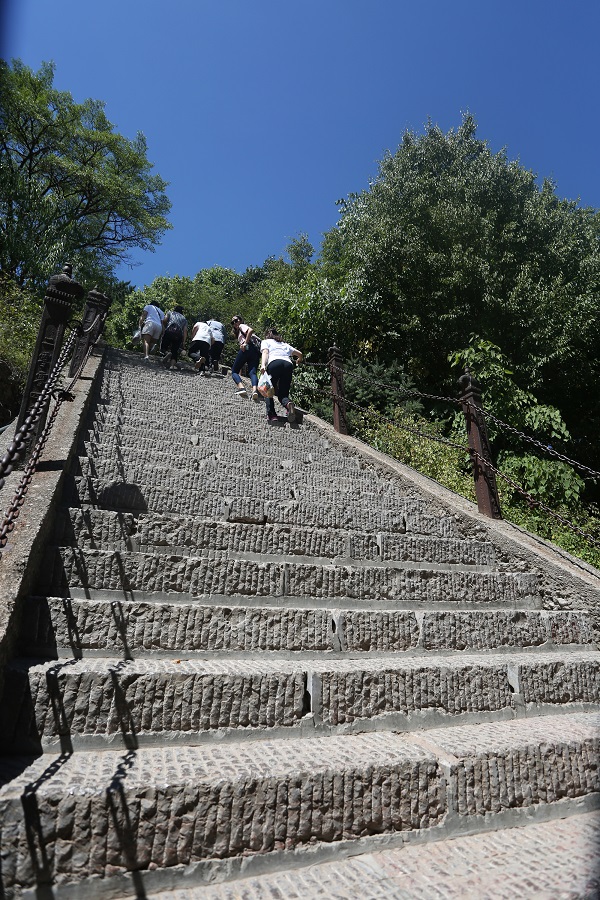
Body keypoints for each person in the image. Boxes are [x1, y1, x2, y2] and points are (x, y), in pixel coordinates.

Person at [260, 327, 303, 424]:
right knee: (283, 393)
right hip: (288, 365)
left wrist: (263, 365)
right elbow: (300, 354)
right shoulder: (284, 344)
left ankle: (272, 415)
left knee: (267, 390)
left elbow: (265, 352)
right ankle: (288, 404)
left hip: (275, 363)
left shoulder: (266, 341)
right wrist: (299, 360)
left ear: (267, 335)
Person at [230, 315, 261, 400]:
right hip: (255, 352)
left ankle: (241, 388)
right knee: (252, 372)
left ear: (240, 320)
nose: (235, 323)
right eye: (232, 322)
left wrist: (245, 343)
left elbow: (250, 330)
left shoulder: (241, 326)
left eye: (236, 320)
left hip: (247, 348)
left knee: (234, 371)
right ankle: (255, 391)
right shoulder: (239, 330)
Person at [160, 305, 188, 370]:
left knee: (163, 346)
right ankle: (172, 366)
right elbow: (185, 331)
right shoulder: (184, 318)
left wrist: (164, 328)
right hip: (178, 334)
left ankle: (166, 353)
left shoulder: (170, 313)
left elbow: (164, 320)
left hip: (169, 331)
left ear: (175, 309)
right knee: (175, 351)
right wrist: (183, 342)